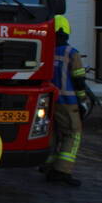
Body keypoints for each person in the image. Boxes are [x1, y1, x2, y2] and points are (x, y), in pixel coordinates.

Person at [41, 15, 86, 187]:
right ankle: (62, 170)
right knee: (73, 134)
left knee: (52, 133)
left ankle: (47, 164)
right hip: (68, 101)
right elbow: (79, 80)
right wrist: (82, 101)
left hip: (48, 100)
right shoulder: (71, 53)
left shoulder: (45, 50)